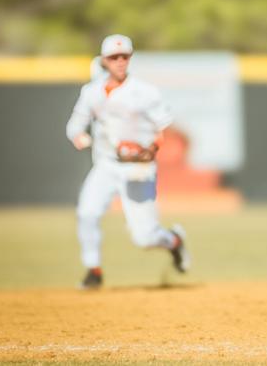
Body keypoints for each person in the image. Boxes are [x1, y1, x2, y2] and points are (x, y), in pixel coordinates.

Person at [66, 34, 190, 289]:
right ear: (104, 60)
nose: (120, 61)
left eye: (125, 56)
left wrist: (151, 148)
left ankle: (174, 241)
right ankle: (94, 271)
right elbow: (74, 125)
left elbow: (166, 128)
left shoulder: (144, 92)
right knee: (87, 214)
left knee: (144, 238)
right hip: (106, 165)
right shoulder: (92, 92)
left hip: (138, 168)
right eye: (114, 57)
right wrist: (79, 137)